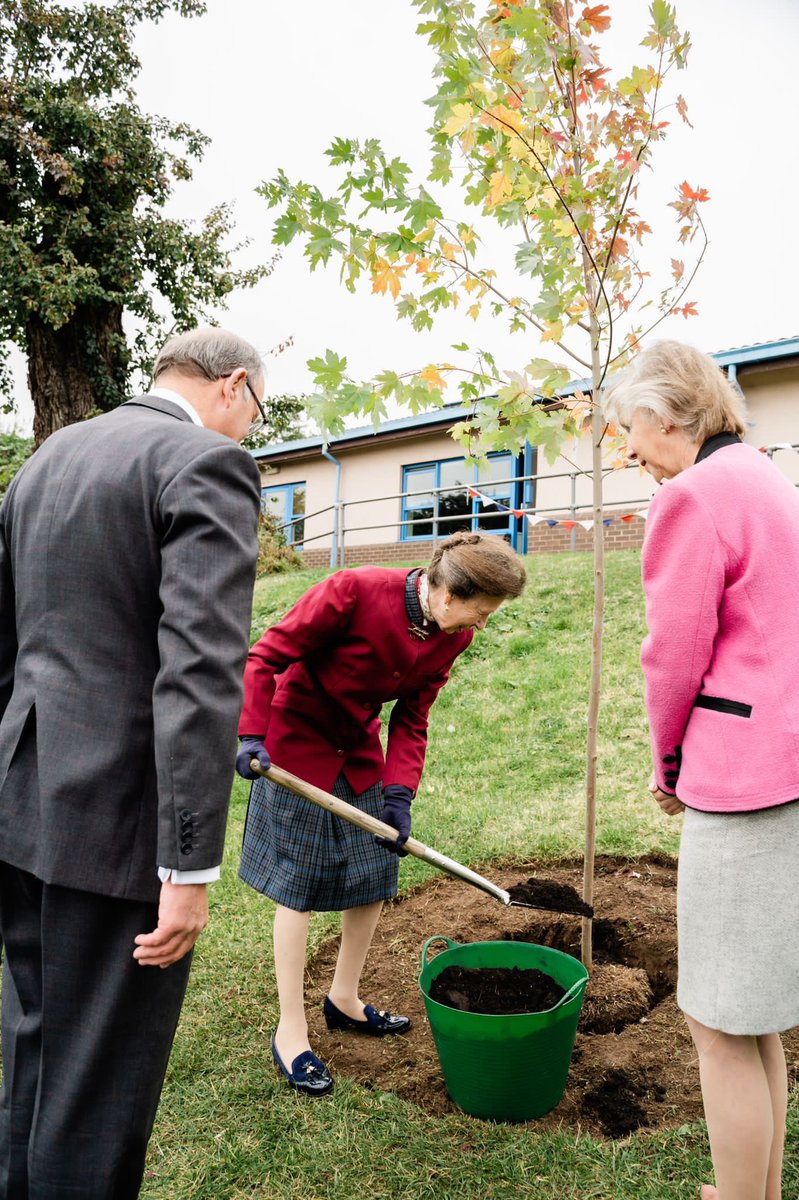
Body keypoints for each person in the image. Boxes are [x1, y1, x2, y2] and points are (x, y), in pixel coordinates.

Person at [0, 327, 265, 1197]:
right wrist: (187, 865)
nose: (249, 432)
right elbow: (198, 675)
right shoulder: (202, 464)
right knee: (101, 1086)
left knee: (37, 1047)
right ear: (232, 386)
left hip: (23, 799)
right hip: (118, 826)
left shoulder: (48, 459)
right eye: (256, 411)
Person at [603, 339, 799, 1200]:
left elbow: (671, 656)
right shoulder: (765, 478)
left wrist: (668, 761)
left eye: (629, 427)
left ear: (666, 414)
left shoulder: (692, 495)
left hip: (744, 778)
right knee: (757, 1020)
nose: (629, 447)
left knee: (715, 1021)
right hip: (789, 763)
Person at [235, 532, 527, 1096]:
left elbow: (413, 717)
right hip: (295, 747)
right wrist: (250, 733)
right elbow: (267, 655)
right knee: (298, 887)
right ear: (447, 596)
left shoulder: (451, 636)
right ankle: (291, 1031)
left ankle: (344, 998)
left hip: (360, 751)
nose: (482, 625)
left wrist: (399, 793)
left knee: (372, 877)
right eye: (481, 611)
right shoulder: (353, 591)